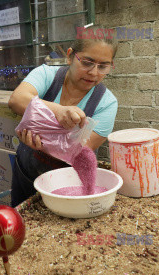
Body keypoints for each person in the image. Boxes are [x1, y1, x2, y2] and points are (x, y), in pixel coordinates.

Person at [8, 27, 119, 207]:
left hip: (70, 183)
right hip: (27, 175)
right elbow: (17, 100)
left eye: (103, 66)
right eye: (87, 62)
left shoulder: (106, 103)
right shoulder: (46, 75)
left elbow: (79, 148)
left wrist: (42, 138)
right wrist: (57, 110)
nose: (94, 72)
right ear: (69, 56)